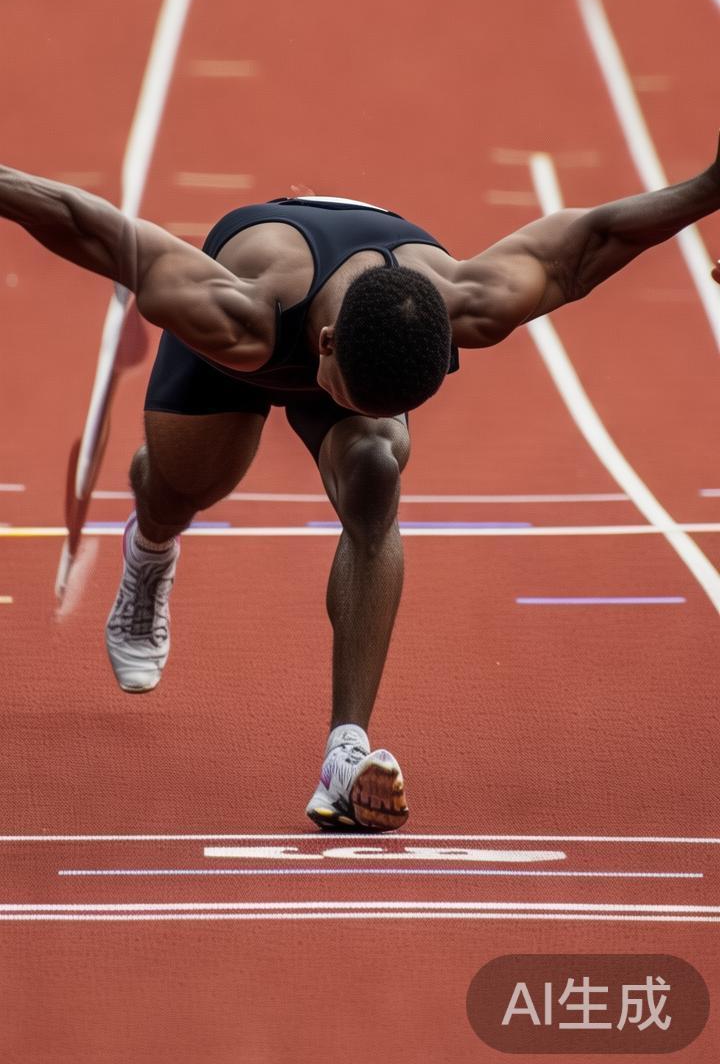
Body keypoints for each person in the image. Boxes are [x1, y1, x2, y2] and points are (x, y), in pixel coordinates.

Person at [2, 150, 719, 828]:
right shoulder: (231, 312)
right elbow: (82, 221)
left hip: (374, 318)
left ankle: (344, 753)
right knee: (185, 486)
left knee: (378, 476)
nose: (375, 416)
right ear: (327, 349)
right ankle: (152, 549)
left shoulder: (469, 304)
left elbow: (592, 241)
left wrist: (710, 186)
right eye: (361, 398)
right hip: (262, 316)